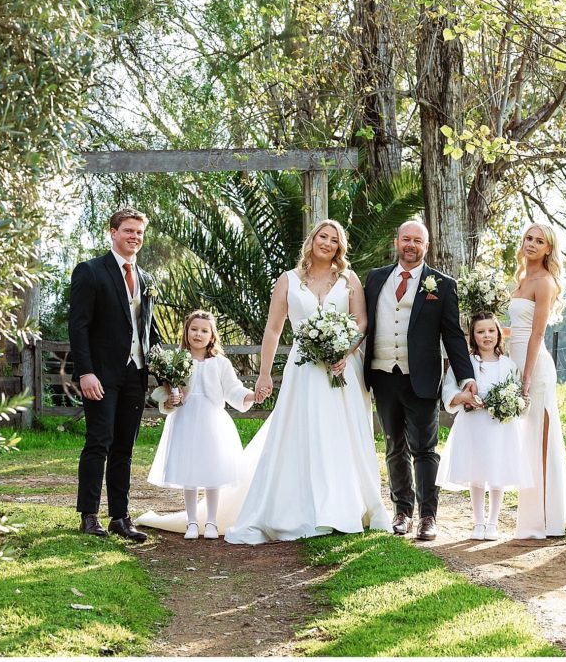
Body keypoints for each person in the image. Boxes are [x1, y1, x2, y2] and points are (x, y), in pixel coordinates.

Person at [224, 220, 392, 544]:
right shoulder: (288, 280)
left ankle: (347, 506)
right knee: (304, 432)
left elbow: (362, 321)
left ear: (340, 247)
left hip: (342, 368)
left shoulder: (349, 279)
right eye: (322, 236)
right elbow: (273, 329)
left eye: (334, 239)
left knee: (342, 435)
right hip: (303, 369)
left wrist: (346, 349)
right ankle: (306, 509)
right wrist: (263, 374)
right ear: (312, 240)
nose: (327, 243)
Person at [363, 221, 478, 541]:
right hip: (383, 375)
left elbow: (453, 336)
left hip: (423, 379)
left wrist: (466, 376)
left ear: (426, 246)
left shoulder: (441, 284)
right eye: (406, 239)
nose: (411, 245)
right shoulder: (375, 279)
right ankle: (402, 511)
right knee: (393, 445)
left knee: (425, 449)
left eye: (417, 240)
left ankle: (428, 516)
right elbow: (361, 324)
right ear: (396, 241)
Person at [69, 207, 162, 542]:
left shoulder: (146, 278)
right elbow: (78, 327)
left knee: (125, 447)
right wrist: (86, 373)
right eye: (128, 231)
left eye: (139, 232)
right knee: (99, 442)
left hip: (135, 374)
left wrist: (167, 373)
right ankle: (89, 516)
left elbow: (149, 329)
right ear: (112, 232)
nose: (134, 237)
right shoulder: (90, 271)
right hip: (102, 375)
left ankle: (120, 517)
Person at [144, 311, 257, 540]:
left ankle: (212, 522)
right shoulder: (176, 360)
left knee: (212, 469)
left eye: (204, 330)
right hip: (185, 419)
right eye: (194, 329)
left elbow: (233, 389)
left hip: (211, 420)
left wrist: (250, 396)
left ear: (212, 335)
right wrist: (170, 400)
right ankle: (192, 522)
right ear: (186, 332)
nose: (198, 334)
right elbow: (168, 395)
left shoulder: (221, 363)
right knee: (190, 471)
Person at [508, 223, 566, 539]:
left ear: (548, 249)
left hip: (535, 369)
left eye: (539, 241)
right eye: (528, 238)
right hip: (513, 362)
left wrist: (525, 377)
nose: (532, 244)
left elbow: (537, 333)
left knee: (541, 440)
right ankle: (530, 517)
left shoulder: (545, 283)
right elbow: (516, 329)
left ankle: (550, 519)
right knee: (524, 443)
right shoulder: (521, 279)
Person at [436, 312, 533, 541]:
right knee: (476, 471)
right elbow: (449, 389)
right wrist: (462, 397)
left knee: (497, 470)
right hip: (473, 425)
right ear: (473, 336)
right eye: (480, 332)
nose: (486, 336)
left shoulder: (508, 365)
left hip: (500, 427)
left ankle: (493, 522)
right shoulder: (465, 364)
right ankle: (478, 522)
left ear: (499, 334)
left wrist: (517, 403)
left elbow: (517, 395)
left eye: (491, 331)